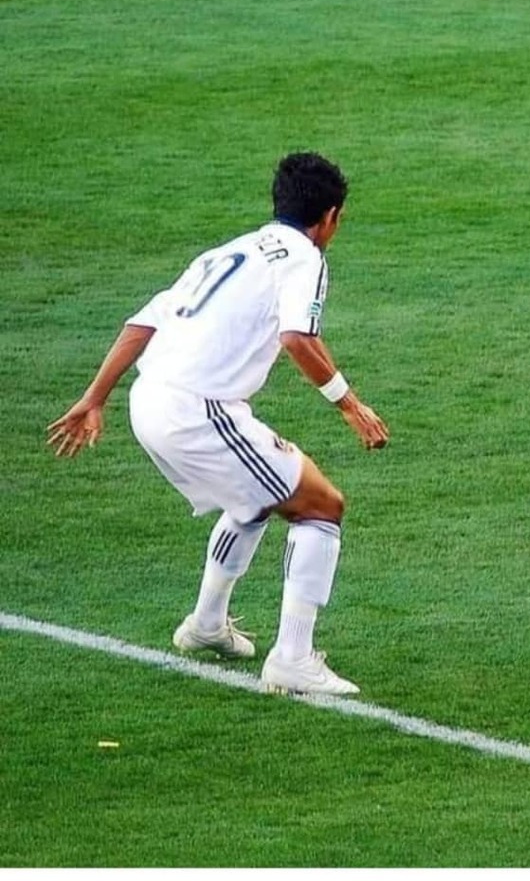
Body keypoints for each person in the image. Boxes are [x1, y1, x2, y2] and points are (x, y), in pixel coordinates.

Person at [48, 152, 389, 693]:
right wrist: (350, 405)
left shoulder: (230, 250)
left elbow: (141, 324)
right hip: (197, 411)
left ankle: (206, 626)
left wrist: (95, 398)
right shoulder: (305, 258)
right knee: (321, 506)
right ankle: (293, 658)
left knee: (252, 498)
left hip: (148, 401)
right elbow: (298, 338)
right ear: (329, 217)